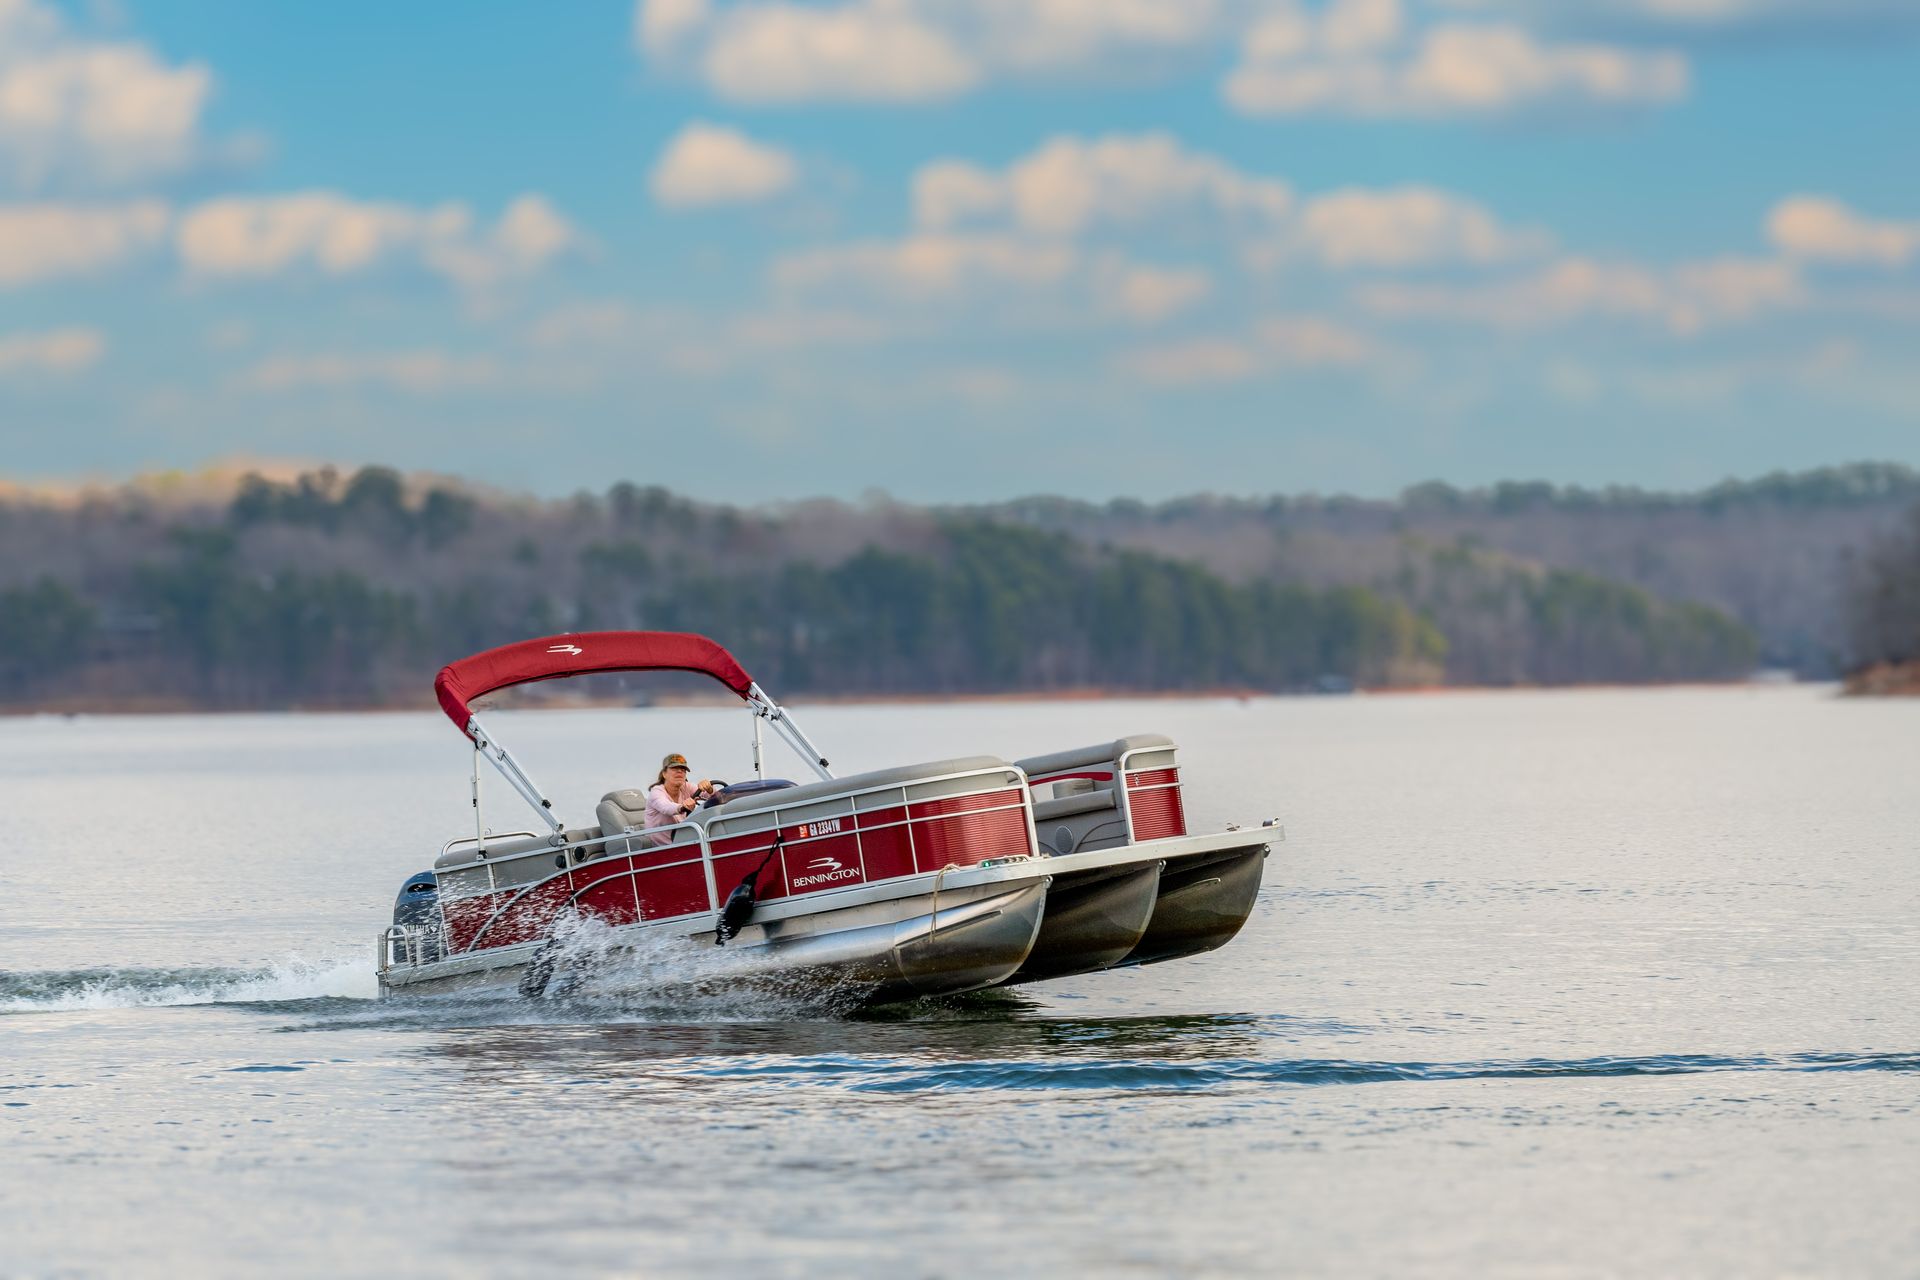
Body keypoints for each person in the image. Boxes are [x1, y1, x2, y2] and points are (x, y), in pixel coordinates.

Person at [645, 752, 714, 845]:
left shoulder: (687, 787)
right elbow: (665, 807)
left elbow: (716, 797)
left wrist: (710, 789)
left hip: (682, 842)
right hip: (662, 849)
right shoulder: (656, 792)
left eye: (683, 769)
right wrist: (682, 807)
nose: (680, 771)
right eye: (674, 768)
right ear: (664, 774)